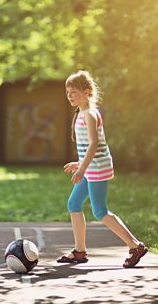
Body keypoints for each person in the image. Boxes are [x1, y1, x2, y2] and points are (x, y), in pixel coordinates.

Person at [56, 70, 148, 268]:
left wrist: (82, 169)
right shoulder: (82, 113)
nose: (70, 96)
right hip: (90, 167)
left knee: (100, 211)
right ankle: (79, 251)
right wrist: (79, 164)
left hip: (96, 169)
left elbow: (93, 144)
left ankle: (135, 246)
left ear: (87, 92)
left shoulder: (90, 113)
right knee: (73, 204)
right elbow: (88, 147)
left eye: (74, 92)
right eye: (68, 92)